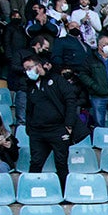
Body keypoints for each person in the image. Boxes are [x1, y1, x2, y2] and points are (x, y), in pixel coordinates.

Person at [23, 54, 77, 188]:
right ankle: (32, 192)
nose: (28, 71)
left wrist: (69, 125)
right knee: (35, 162)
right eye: (25, 69)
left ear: (39, 66)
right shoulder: (30, 86)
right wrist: (29, 129)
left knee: (61, 163)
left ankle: (64, 194)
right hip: (37, 132)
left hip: (57, 129)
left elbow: (70, 100)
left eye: (30, 68)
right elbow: (29, 109)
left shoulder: (57, 80)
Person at [78, 36, 108, 128]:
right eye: (106, 44)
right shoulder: (90, 60)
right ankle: (100, 142)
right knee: (99, 124)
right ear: (100, 46)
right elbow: (83, 75)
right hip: (98, 96)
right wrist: (94, 86)